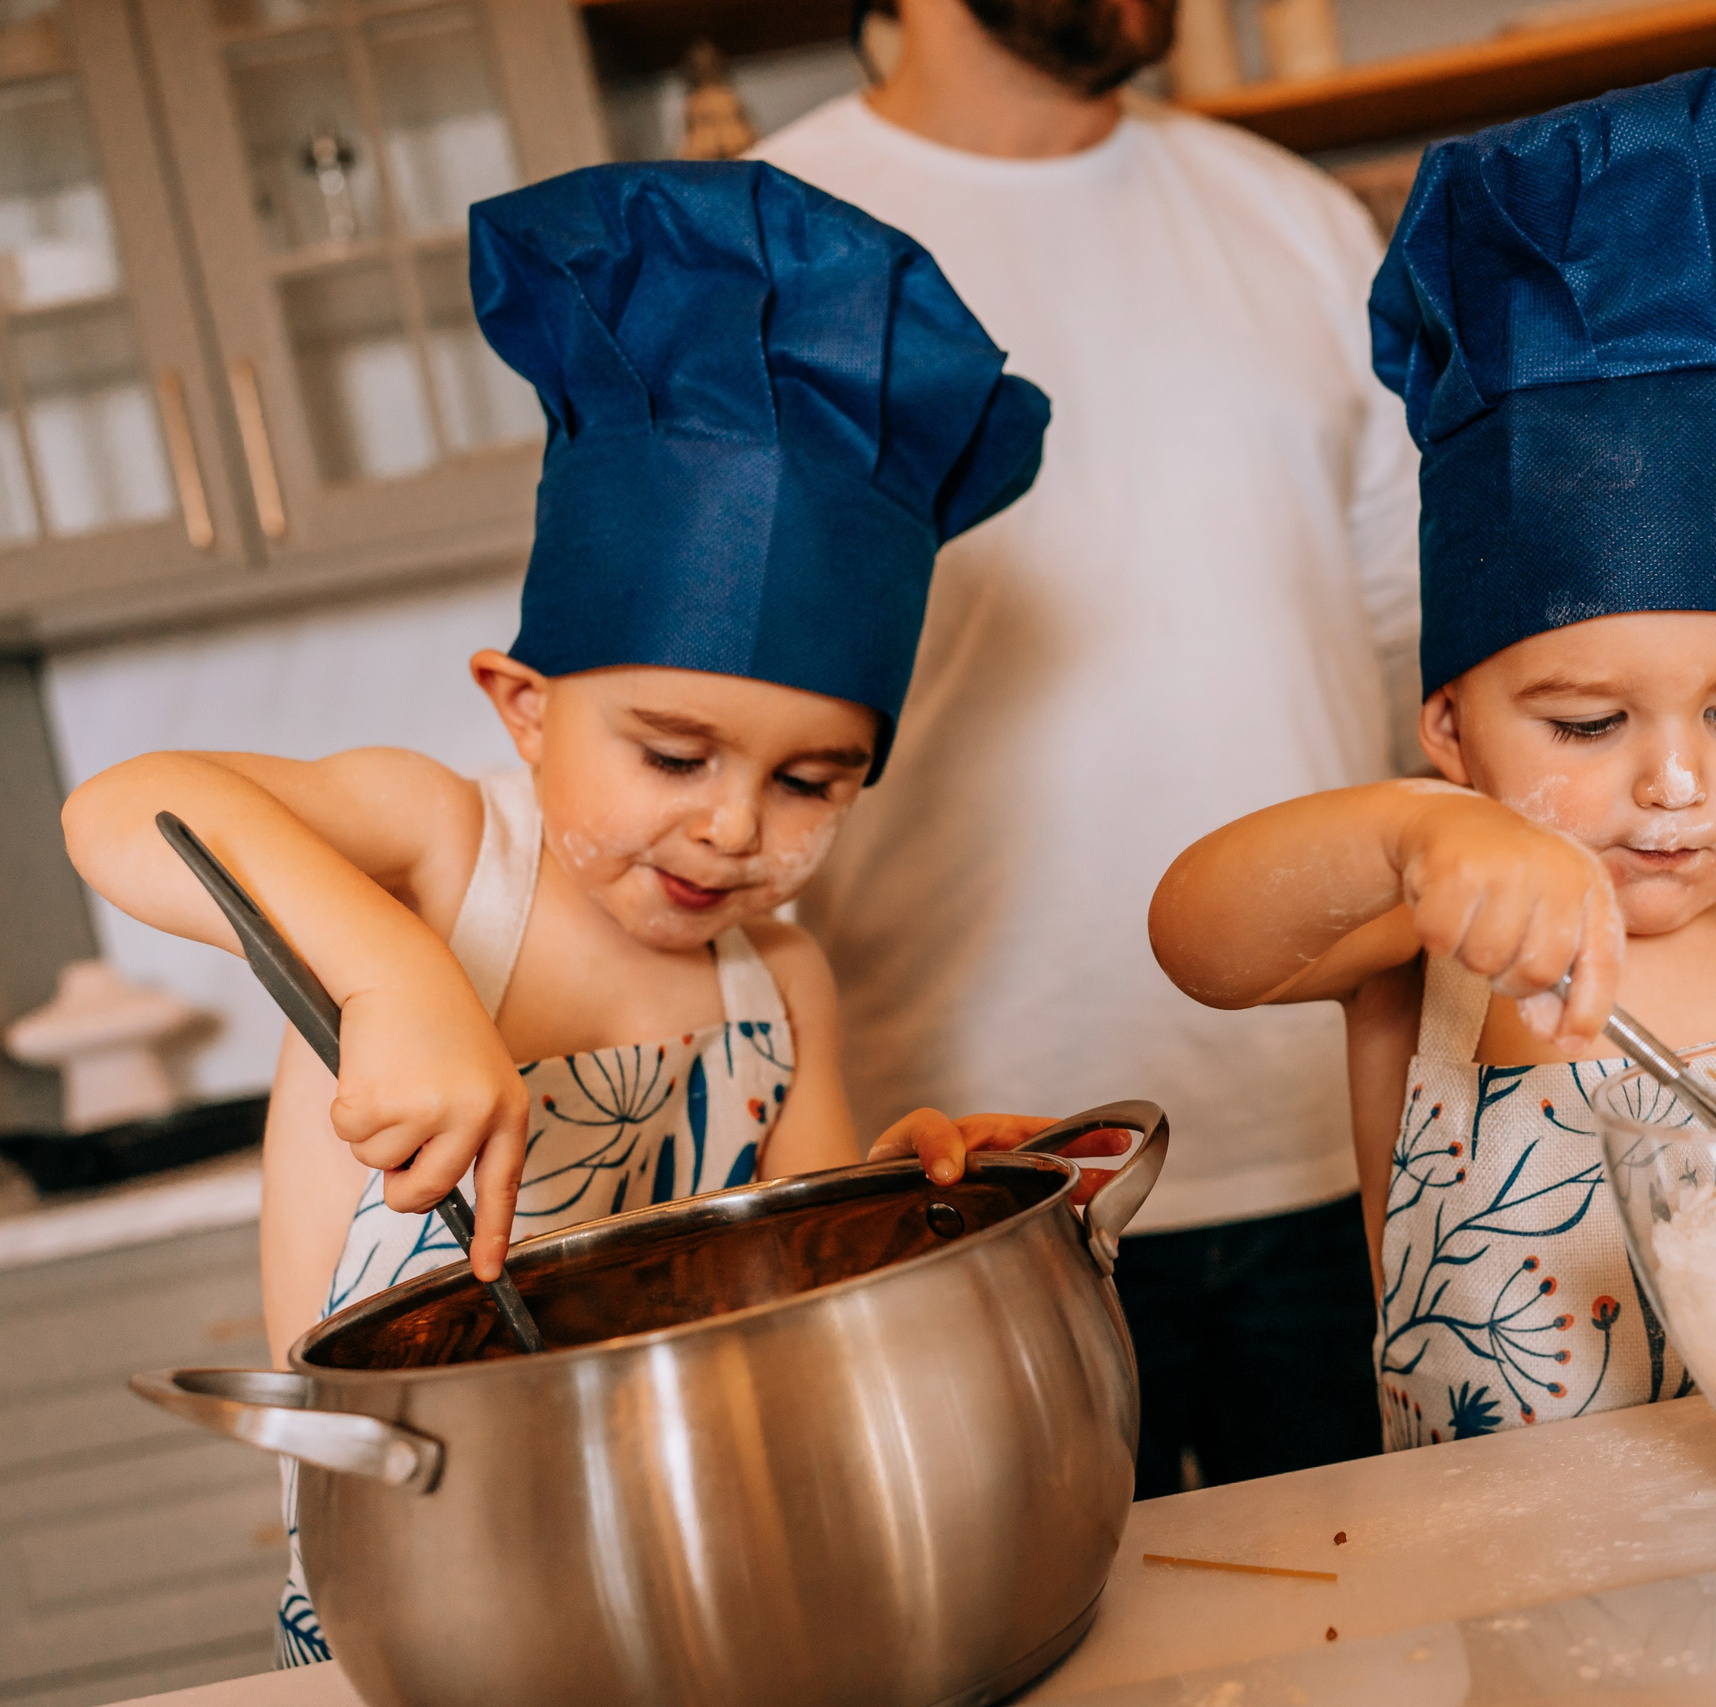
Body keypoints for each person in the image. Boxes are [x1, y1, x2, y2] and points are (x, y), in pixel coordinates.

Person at [60, 162, 1065, 1660]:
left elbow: (802, 1289)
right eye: (672, 754)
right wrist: (393, 977)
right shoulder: (438, 854)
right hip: (425, 1596)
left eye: (813, 780)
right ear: (522, 710)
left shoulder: (780, 985)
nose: (733, 828)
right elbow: (124, 808)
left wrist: (920, 1205)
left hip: (703, 1577)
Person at [1141, 71, 1716, 1443]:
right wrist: (1410, 840)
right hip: (1516, 1637)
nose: (1675, 783)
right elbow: (1196, 940)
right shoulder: (1423, 966)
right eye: (1587, 725)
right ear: (1449, 727)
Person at [752, 0, 1419, 1490]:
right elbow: (708, 729)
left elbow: (1391, 672)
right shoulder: (773, 246)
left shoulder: (1294, 221)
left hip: (1338, 1147)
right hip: (964, 1180)